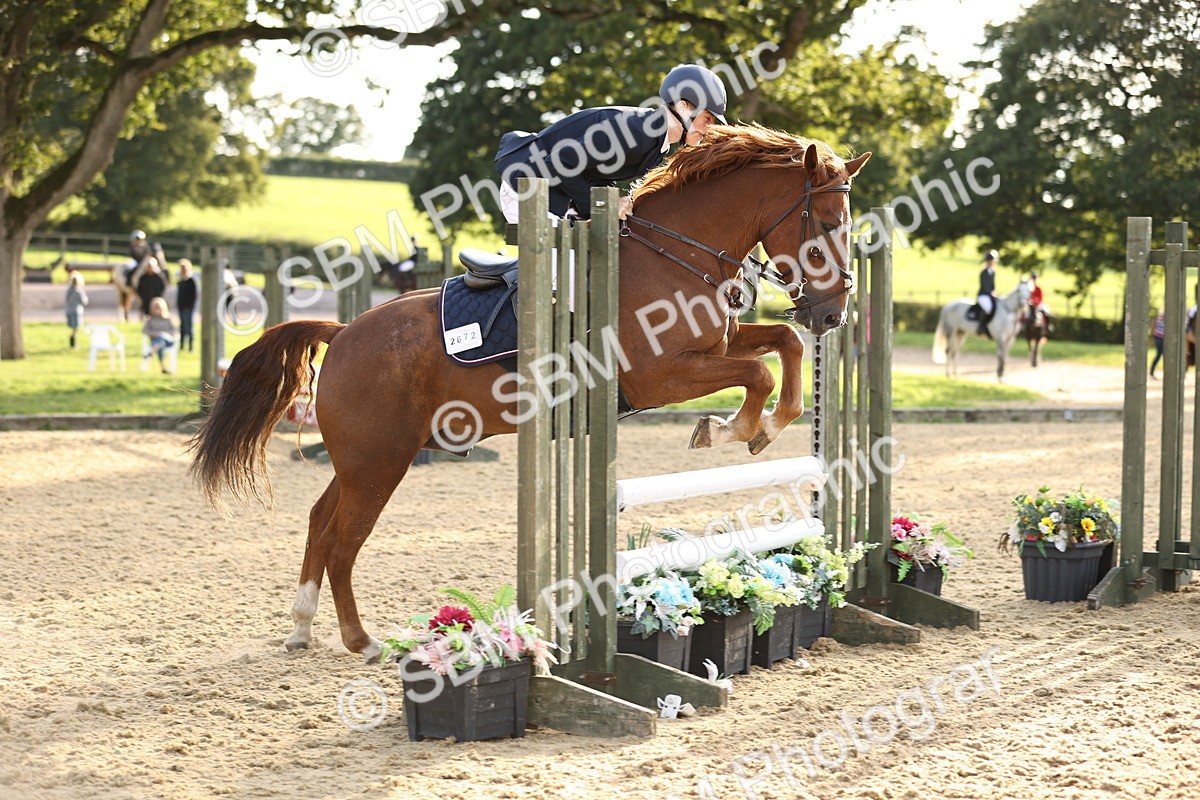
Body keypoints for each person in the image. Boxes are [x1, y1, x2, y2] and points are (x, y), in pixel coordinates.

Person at [495, 63, 728, 224]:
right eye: (707, 118)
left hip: (556, 192)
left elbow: (596, 171)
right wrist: (604, 207)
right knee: (567, 274)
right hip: (527, 187)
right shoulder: (635, 131)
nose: (709, 129)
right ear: (684, 106)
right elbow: (558, 163)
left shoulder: (657, 140)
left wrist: (612, 199)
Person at [142, 297, 178, 374]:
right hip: (157, 341)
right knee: (160, 344)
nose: (157, 310)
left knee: (161, 338)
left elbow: (175, 331)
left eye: (158, 308)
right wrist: (156, 333)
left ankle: (150, 354)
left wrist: (164, 334)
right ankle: (163, 368)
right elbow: (145, 331)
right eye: (155, 308)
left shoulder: (168, 318)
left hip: (168, 341)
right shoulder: (150, 320)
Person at [974, 250, 998, 336]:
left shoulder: (993, 272)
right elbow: (984, 286)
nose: (992, 262)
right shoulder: (983, 272)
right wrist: (990, 293)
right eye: (990, 261)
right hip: (983, 295)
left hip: (990, 295)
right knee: (988, 308)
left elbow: (993, 286)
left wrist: (995, 292)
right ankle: (981, 327)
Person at [176, 259, 197, 352]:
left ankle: (190, 346)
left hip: (188, 308)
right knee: (182, 327)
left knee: (189, 327)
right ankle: (182, 345)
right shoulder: (181, 280)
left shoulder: (191, 280)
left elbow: (193, 295)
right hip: (181, 307)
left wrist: (189, 305)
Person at [64, 269, 88, 349]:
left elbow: (66, 299)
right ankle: (73, 342)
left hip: (68, 310)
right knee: (76, 328)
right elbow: (84, 301)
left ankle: (72, 342)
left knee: (73, 327)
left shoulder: (68, 290)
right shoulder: (79, 291)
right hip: (76, 311)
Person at [1150, 311, 1165, 379]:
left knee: (1161, 354)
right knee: (1159, 354)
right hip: (1159, 336)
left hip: (1163, 337)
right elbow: (1154, 322)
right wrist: (1153, 334)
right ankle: (1151, 372)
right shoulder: (1163, 314)